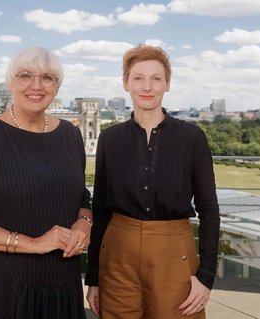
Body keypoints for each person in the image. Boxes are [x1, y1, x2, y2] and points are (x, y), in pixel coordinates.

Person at [0, 47, 93, 319]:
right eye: (25, 75)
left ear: (57, 87)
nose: (36, 85)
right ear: (11, 83)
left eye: (47, 78)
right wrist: (34, 243)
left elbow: (80, 196)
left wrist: (84, 222)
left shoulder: (70, 135)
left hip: (61, 284)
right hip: (3, 290)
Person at [85, 44, 220, 319]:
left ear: (167, 84)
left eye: (156, 78)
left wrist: (205, 277)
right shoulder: (110, 140)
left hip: (174, 257)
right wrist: (94, 279)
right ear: (126, 83)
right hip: (117, 257)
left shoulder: (192, 138)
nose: (147, 86)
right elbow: (100, 210)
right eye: (138, 78)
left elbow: (209, 209)